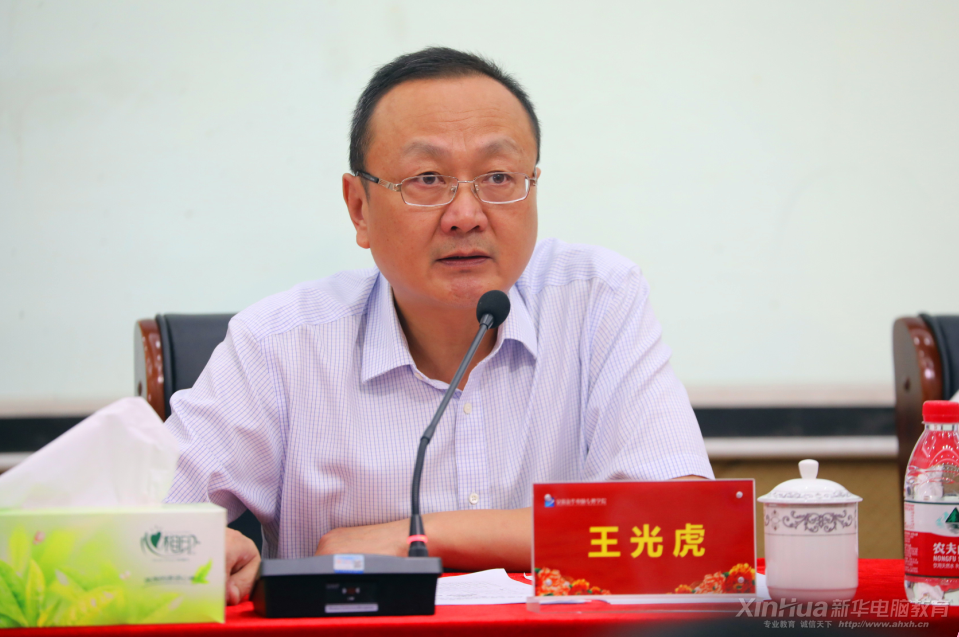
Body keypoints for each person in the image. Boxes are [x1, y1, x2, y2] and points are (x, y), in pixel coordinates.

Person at [163, 47, 713, 605]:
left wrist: (416, 539)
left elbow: (688, 528)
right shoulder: (279, 345)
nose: (466, 215)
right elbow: (136, 525)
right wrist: (208, 548)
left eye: (498, 177)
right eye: (427, 179)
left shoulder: (597, 300)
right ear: (359, 208)